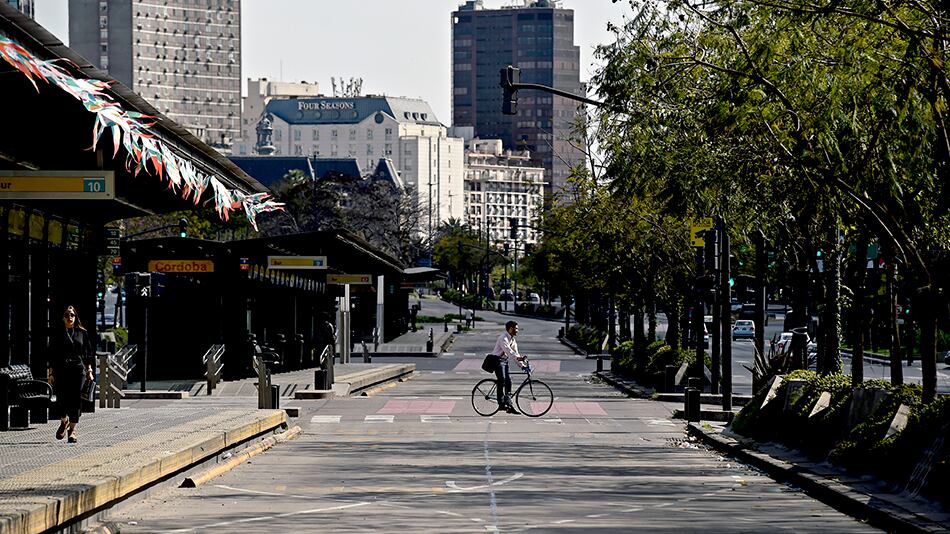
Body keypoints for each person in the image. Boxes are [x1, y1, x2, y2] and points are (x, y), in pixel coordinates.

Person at [47, 305, 95, 443]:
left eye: (72, 315)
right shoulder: (58, 334)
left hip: (78, 370)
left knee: (75, 400)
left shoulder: (82, 333)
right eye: (67, 315)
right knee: (61, 399)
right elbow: (52, 354)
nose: (70, 318)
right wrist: (51, 373)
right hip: (61, 369)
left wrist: (89, 371)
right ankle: (64, 421)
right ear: (63, 318)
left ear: (75, 317)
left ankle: (72, 430)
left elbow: (88, 354)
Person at [490, 320, 526, 413]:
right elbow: (509, 351)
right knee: (501, 380)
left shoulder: (513, 340)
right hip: (497, 360)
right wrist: (518, 358)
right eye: (516, 328)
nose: (517, 330)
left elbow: (516, 354)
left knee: (509, 381)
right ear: (510, 329)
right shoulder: (503, 338)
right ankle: (501, 404)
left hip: (504, 361)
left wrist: (522, 366)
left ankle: (509, 403)